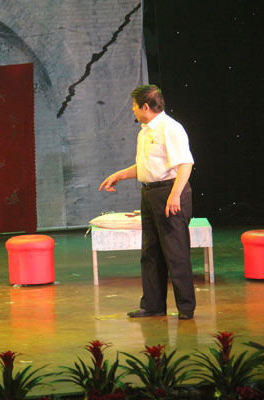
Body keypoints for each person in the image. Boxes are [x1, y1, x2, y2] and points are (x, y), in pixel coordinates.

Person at [98, 85, 196, 320]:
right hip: (150, 194)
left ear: (145, 106)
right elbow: (146, 167)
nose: (133, 109)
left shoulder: (170, 128)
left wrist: (175, 195)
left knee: (176, 252)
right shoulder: (144, 132)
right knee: (150, 252)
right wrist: (120, 175)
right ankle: (153, 305)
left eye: (134, 106)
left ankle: (185, 308)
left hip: (170, 192)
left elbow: (186, 163)